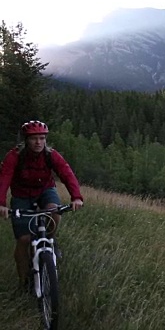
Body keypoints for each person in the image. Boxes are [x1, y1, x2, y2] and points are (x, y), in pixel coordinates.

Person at [0, 120, 84, 289]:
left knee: (54, 210)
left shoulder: (50, 154)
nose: (38, 142)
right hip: (22, 196)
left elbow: (66, 172)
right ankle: (24, 283)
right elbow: (4, 178)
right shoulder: (14, 156)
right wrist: (1, 203)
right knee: (24, 239)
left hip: (45, 190)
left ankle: (50, 240)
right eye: (34, 139)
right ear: (26, 140)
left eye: (42, 138)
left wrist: (76, 197)